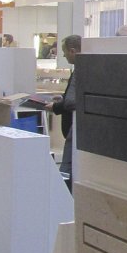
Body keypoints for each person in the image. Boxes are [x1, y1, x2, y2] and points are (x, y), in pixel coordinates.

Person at [51, 34, 81, 192]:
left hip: (75, 131)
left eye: (64, 52)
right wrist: (62, 99)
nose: (63, 56)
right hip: (76, 131)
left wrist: (57, 106)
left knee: (67, 170)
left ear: (73, 51)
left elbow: (71, 102)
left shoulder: (81, 68)